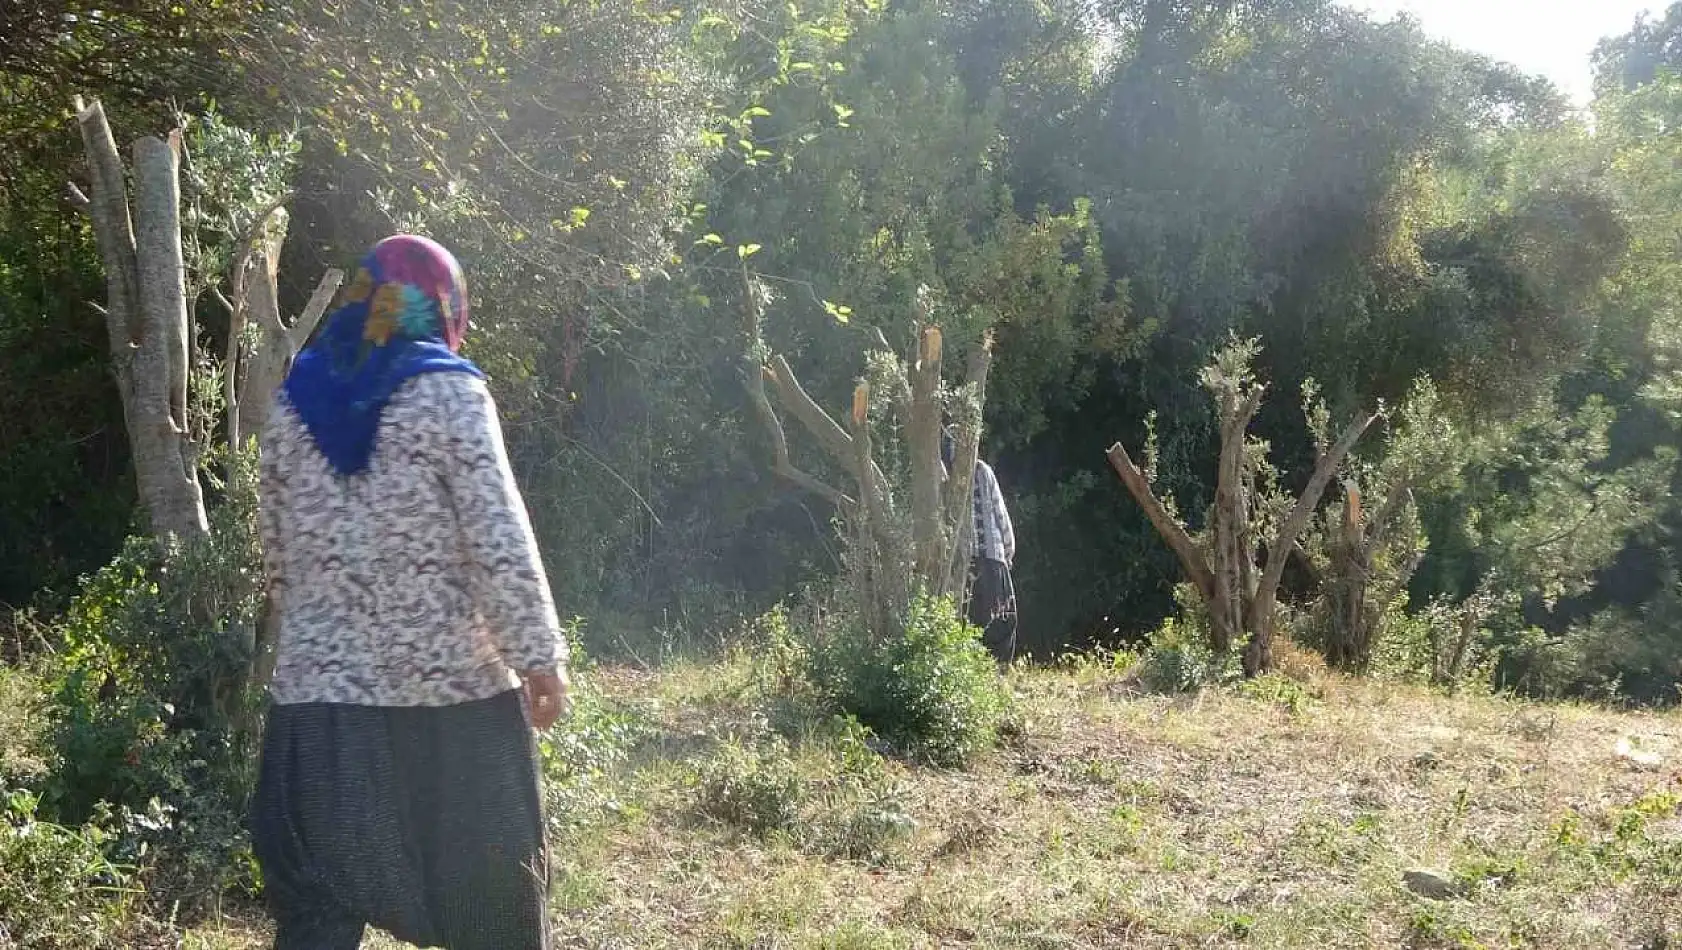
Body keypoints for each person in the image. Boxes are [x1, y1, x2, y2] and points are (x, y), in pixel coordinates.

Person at [251, 234, 568, 950]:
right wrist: (538, 657)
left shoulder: (294, 403)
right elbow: (498, 537)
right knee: (493, 908)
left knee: (317, 913)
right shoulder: (451, 394)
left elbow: (276, 551)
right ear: (443, 306)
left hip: (320, 705)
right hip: (449, 704)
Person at [942, 429, 1018, 665]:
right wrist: (1008, 550)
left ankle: (975, 671)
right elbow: (1000, 514)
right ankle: (998, 670)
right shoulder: (983, 470)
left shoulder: (945, 474)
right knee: (1002, 617)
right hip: (993, 557)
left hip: (964, 562)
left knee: (971, 618)